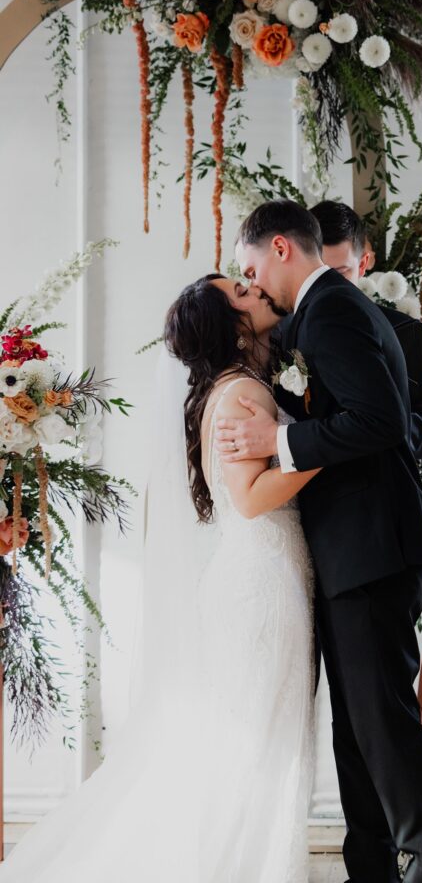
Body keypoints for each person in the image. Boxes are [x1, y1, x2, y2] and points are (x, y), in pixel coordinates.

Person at [0, 273, 319, 883]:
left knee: (256, 741)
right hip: (263, 585)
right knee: (258, 745)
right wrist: (329, 446)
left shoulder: (229, 388)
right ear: (230, 326)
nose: (258, 294)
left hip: (260, 577)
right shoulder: (239, 394)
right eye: (243, 295)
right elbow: (250, 499)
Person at [217, 200, 422, 883]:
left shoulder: (333, 311)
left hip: (372, 550)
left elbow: (381, 422)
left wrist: (277, 440)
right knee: (357, 735)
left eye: (250, 266)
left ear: (282, 250)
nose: (254, 281)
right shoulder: (322, 314)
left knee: (383, 730)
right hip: (359, 552)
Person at [309, 199, 422, 460]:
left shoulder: (407, 331)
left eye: (339, 273)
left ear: (363, 264)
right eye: (318, 274)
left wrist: (365, 432)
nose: (325, 287)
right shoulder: (282, 331)